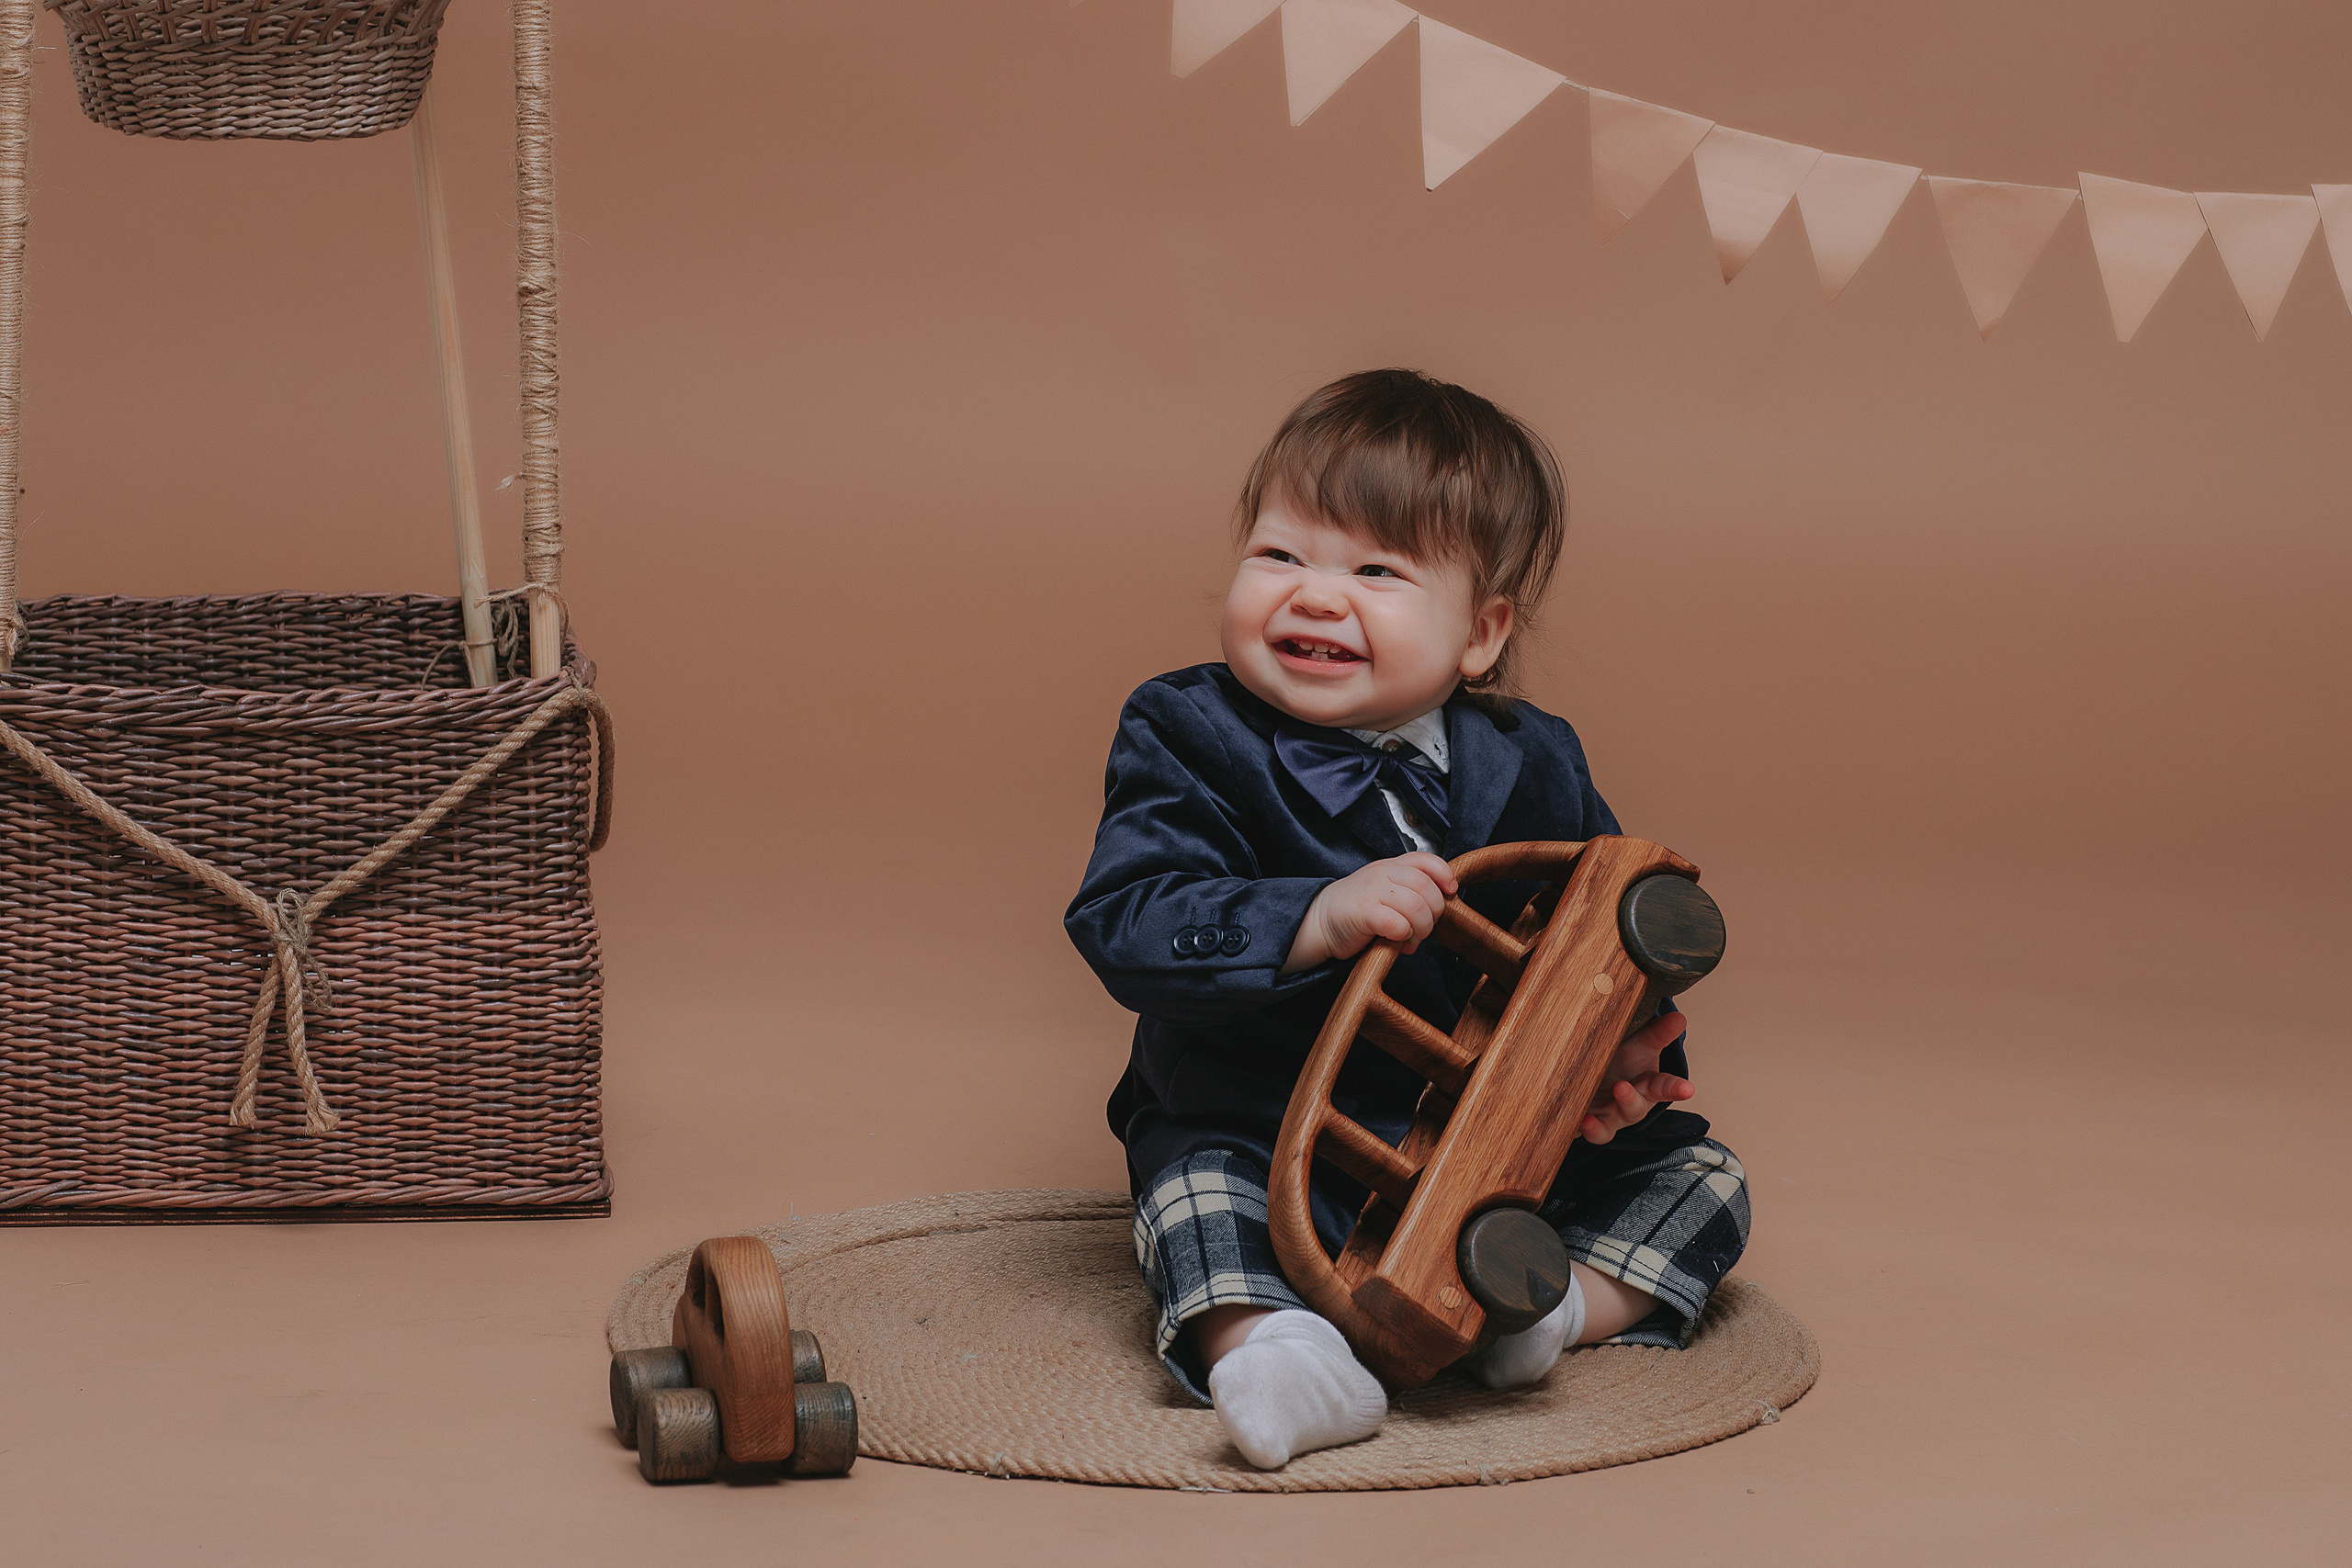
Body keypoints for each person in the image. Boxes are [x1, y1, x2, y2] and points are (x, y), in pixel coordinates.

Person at [1064, 368, 1749, 1471]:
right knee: (1196, 1197)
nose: (1315, 596)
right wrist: (1313, 915)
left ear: (1478, 634)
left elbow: (1602, 948)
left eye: (1376, 572)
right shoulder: (1186, 729)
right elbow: (1128, 919)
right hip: (1270, 1126)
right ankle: (1274, 1349)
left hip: (1495, 1142)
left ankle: (1548, 1309)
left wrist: (1618, 1065)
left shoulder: (1535, 758)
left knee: (1702, 1183)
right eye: (1279, 555)